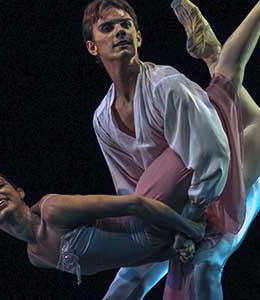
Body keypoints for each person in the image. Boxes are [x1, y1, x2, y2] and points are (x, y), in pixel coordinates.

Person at [83, 0, 260, 299]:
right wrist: (164, 227)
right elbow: (133, 189)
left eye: (126, 25)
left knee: (205, 264)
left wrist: (189, 220)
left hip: (224, 179)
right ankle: (210, 53)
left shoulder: (165, 85)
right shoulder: (103, 119)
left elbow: (213, 160)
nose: (120, 32)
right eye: (108, 27)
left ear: (138, 37)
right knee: (123, 285)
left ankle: (212, 52)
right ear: (92, 47)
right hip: (180, 198)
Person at [0, 171, 205, 286]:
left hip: (154, 216)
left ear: (19, 192)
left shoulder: (54, 209)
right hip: (160, 245)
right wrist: (171, 251)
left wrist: (191, 229)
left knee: (198, 151)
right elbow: (121, 257)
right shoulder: (35, 257)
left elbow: (135, 204)